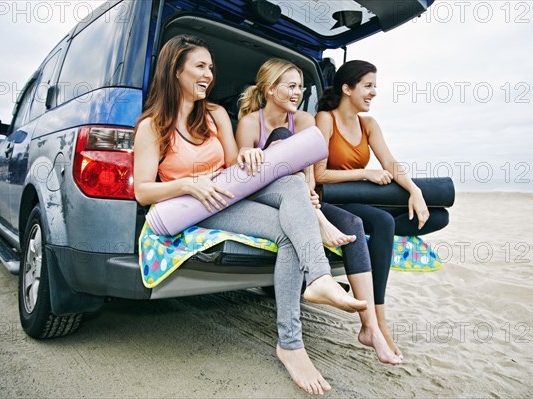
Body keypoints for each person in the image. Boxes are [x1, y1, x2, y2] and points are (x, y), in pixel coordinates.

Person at [133, 35, 367, 395]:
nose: (209, 74)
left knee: (291, 187)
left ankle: (317, 280)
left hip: (230, 190)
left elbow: (231, 164)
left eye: (210, 68)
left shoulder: (214, 115)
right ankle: (292, 344)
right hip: (197, 207)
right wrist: (188, 185)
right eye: (200, 66)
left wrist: (247, 156)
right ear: (175, 70)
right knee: (289, 231)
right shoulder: (151, 127)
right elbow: (143, 191)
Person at [236, 58, 402, 365]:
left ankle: (370, 327)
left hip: (302, 196)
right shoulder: (249, 122)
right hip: (263, 195)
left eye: (301, 86)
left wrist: (309, 195)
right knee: (283, 140)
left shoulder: (305, 121)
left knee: (352, 225)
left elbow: (311, 173)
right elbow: (243, 176)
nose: (298, 92)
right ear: (270, 90)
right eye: (291, 86)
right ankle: (319, 220)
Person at [315, 60, 450, 358]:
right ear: (347, 88)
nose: (374, 92)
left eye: (375, 85)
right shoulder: (326, 119)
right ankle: (378, 323)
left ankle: (378, 239)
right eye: (368, 85)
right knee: (383, 222)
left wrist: (414, 191)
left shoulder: (369, 125)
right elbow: (319, 175)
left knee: (438, 216)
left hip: (360, 200)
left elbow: (389, 163)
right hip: (332, 201)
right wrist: (365, 173)